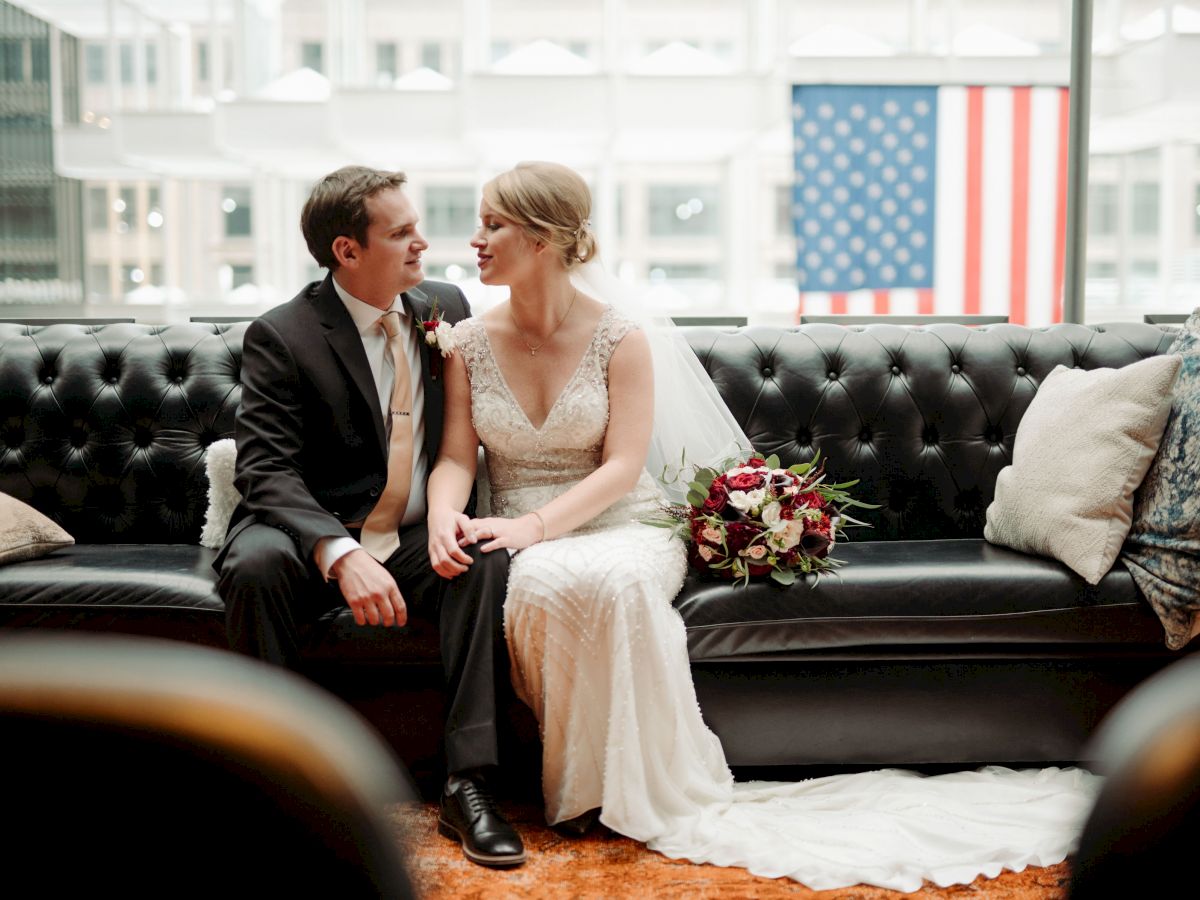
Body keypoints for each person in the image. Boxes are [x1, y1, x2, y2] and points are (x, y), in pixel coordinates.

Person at [425, 160, 1103, 892]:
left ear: (545, 239)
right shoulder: (465, 342)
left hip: (617, 517)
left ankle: (609, 790)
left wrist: (534, 526)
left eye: (493, 223)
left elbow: (622, 469)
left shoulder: (618, 337)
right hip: (518, 521)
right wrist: (444, 519)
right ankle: (576, 786)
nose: (476, 239)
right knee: (544, 586)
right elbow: (456, 458)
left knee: (611, 583)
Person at [215, 165, 525, 869]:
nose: (423, 242)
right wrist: (337, 549)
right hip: (306, 531)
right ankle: (274, 783)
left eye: (415, 226)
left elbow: (466, 434)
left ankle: (468, 785)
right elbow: (264, 469)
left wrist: (453, 516)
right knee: (255, 562)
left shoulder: (443, 306)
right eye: (401, 232)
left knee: (483, 557)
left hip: (412, 533)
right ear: (347, 251)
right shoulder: (282, 334)